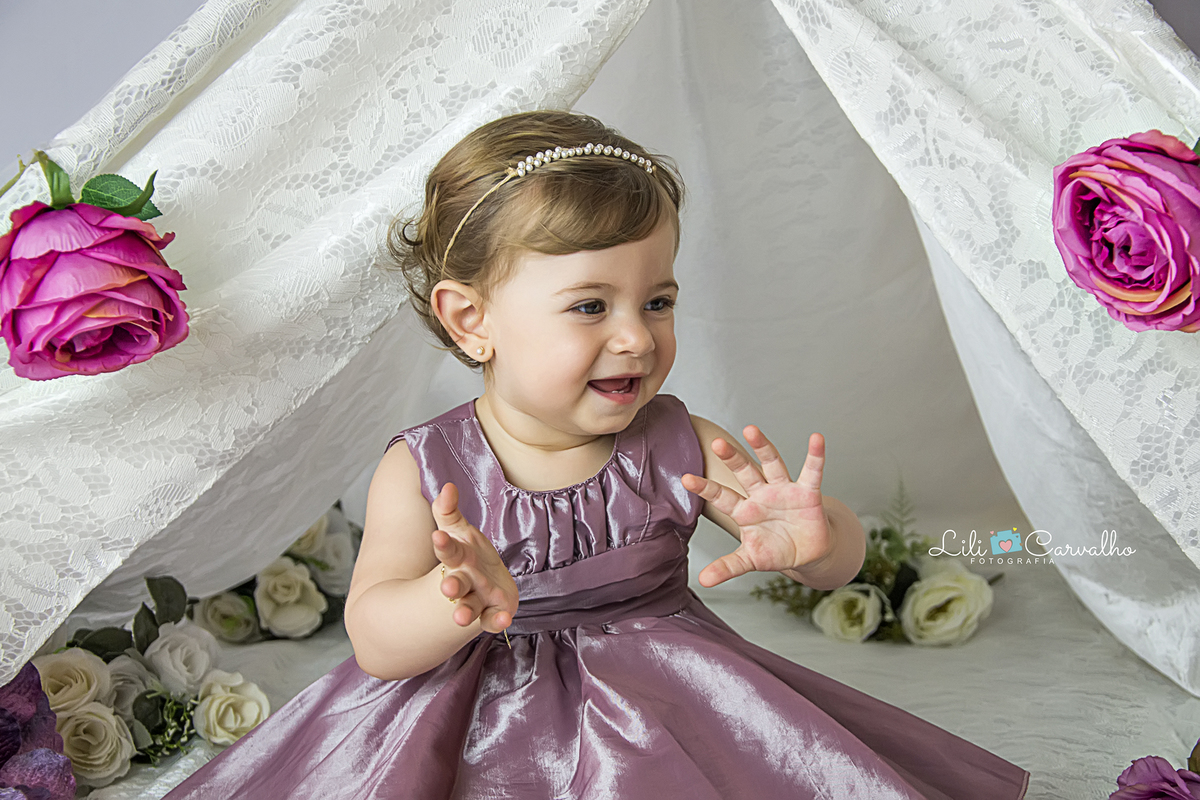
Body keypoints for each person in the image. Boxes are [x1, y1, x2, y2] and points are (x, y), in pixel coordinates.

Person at [166, 110, 1030, 799]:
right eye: (589, 306)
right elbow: (376, 641)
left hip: (668, 703)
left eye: (658, 300)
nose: (635, 337)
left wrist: (818, 539)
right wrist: (449, 597)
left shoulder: (681, 440)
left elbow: (829, 569)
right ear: (473, 321)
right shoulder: (428, 470)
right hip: (463, 719)